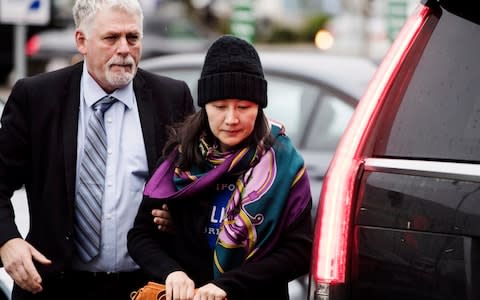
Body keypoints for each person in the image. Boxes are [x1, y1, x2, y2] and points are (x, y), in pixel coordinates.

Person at [0, 0, 194, 298]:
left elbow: (195, 184)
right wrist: (7, 241)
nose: (124, 49)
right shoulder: (36, 98)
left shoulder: (171, 97)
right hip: (52, 285)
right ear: (82, 41)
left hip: (144, 286)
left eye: (133, 37)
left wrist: (178, 216)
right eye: (111, 38)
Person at [127, 35, 313, 300]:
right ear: (204, 106)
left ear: (259, 106)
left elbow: (300, 252)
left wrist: (229, 285)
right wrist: (172, 272)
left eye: (244, 106)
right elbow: (141, 235)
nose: (231, 118)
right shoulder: (181, 158)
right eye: (220, 106)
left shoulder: (283, 163)